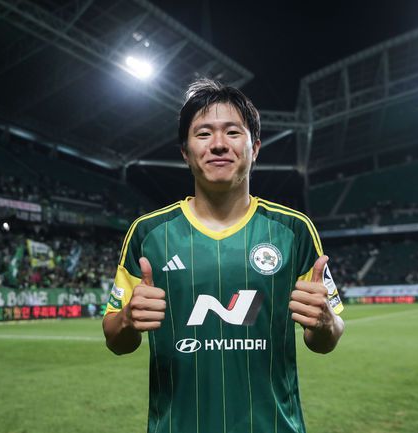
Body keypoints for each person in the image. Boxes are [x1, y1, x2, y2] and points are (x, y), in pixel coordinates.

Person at [102, 78, 345, 433]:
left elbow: (327, 338)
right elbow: (114, 338)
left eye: (232, 132)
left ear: (255, 148)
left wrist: (326, 322)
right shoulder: (148, 233)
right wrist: (127, 319)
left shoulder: (294, 230)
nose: (218, 144)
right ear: (185, 152)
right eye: (203, 134)